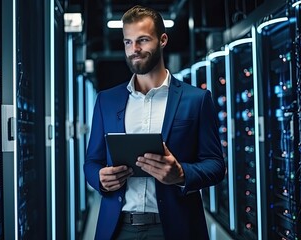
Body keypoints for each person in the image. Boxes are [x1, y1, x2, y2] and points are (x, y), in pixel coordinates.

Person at [84, 5, 225, 240]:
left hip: (176, 228)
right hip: (119, 228)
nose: (134, 50)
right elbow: (91, 161)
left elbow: (216, 166)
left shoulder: (196, 100)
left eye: (142, 40)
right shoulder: (106, 101)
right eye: (128, 42)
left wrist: (181, 174)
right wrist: (99, 178)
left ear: (163, 40)